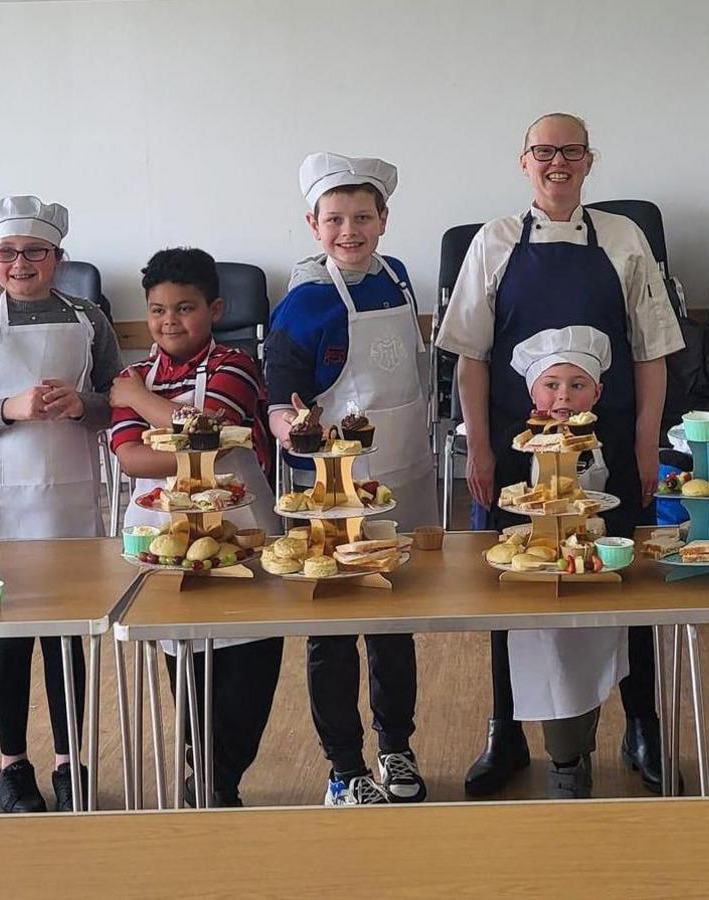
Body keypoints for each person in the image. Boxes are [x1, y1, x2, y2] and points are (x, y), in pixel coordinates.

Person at [436, 112, 684, 796]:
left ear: (588, 161)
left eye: (570, 151)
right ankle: (505, 731)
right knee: (510, 586)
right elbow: (472, 359)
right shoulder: (492, 242)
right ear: (524, 162)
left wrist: (645, 445)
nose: (557, 163)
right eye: (543, 151)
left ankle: (643, 725)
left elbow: (652, 353)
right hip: (519, 450)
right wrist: (480, 450)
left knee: (624, 580)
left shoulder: (624, 238)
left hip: (613, 444)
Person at [0, 195, 122, 813]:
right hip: (1, 501)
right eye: (7, 253)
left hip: (69, 497)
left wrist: (82, 406)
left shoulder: (90, 317)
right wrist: (7, 409)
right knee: (10, 633)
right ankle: (12, 765)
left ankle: (71, 760)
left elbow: (117, 402)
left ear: (58, 259)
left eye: (35, 252)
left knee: (69, 633)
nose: (21, 263)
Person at [264, 152, 433, 805]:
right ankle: (344, 768)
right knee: (334, 631)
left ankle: (396, 747)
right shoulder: (304, 304)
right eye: (335, 218)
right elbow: (282, 400)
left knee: (394, 622)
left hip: (404, 475)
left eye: (363, 216)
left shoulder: (398, 278)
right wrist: (290, 429)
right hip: (334, 492)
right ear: (313, 224)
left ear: (384, 221)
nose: (350, 230)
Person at [108, 246, 282, 808]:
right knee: (188, 664)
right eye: (157, 310)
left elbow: (216, 428)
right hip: (163, 539)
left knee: (250, 667)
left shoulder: (235, 365)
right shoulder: (135, 373)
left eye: (184, 308)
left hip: (242, 535)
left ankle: (222, 774)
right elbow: (131, 459)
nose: (168, 322)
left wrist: (141, 403)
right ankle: (207, 782)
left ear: (215, 308)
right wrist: (191, 439)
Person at [504, 325, 630, 798]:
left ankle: (593, 745)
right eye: (552, 385)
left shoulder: (611, 441)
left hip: (594, 567)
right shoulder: (515, 447)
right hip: (535, 570)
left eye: (577, 386)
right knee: (549, 659)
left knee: (588, 659)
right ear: (532, 393)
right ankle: (565, 761)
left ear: (597, 393)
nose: (564, 397)